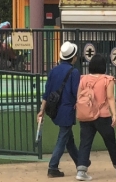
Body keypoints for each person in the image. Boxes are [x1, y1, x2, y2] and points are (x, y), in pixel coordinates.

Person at [75, 54, 116, 180]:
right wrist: (114, 114)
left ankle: (81, 171)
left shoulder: (83, 79)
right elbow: (110, 97)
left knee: (85, 143)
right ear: (103, 66)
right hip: (103, 116)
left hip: (86, 116)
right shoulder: (107, 79)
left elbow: (79, 96)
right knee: (110, 142)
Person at [39, 41, 81, 178]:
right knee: (63, 137)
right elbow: (76, 93)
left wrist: (41, 111)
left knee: (69, 139)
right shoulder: (74, 72)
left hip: (54, 110)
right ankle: (52, 167)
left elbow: (46, 93)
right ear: (73, 57)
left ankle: (81, 163)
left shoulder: (53, 70)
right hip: (67, 110)